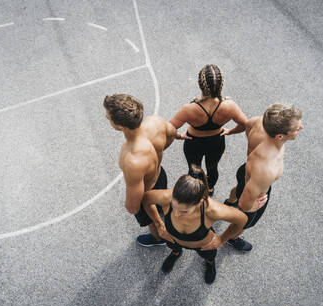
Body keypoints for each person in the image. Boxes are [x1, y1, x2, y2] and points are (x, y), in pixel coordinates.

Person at [142, 164, 249, 284]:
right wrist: (159, 224)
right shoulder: (166, 197)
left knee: (209, 256)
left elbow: (242, 220)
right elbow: (146, 199)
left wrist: (222, 240)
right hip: (172, 239)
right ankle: (176, 253)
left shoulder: (212, 210)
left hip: (203, 245)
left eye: (183, 211)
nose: (176, 214)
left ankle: (209, 263)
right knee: (174, 247)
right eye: (174, 206)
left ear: (199, 202)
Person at [224, 103, 303, 252]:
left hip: (246, 172)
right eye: (297, 128)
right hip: (256, 183)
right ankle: (231, 239)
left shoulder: (260, 122)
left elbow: (246, 126)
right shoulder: (266, 169)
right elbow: (244, 205)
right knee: (245, 222)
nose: (301, 128)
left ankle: (229, 202)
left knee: (240, 186)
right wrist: (248, 208)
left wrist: (231, 132)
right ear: (280, 136)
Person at [103, 94, 177, 246]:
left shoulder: (132, 159)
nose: (106, 117)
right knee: (163, 204)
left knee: (153, 221)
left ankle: (159, 238)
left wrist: (156, 222)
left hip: (147, 192)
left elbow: (133, 207)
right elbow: (173, 134)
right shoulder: (155, 122)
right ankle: (164, 212)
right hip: (159, 175)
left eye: (108, 118)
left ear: (121, 127)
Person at [169, 64, 248, 195]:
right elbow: (245, 124)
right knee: (212, 168)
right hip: (216, 143)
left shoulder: (188, 109)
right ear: (221, 85)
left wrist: (178, 136)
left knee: (194, 170)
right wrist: (230, 131)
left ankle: (196, 192)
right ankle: (209, 189)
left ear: (200, 86)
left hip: (193, 143)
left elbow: (169, 128)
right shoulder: (230, 106)